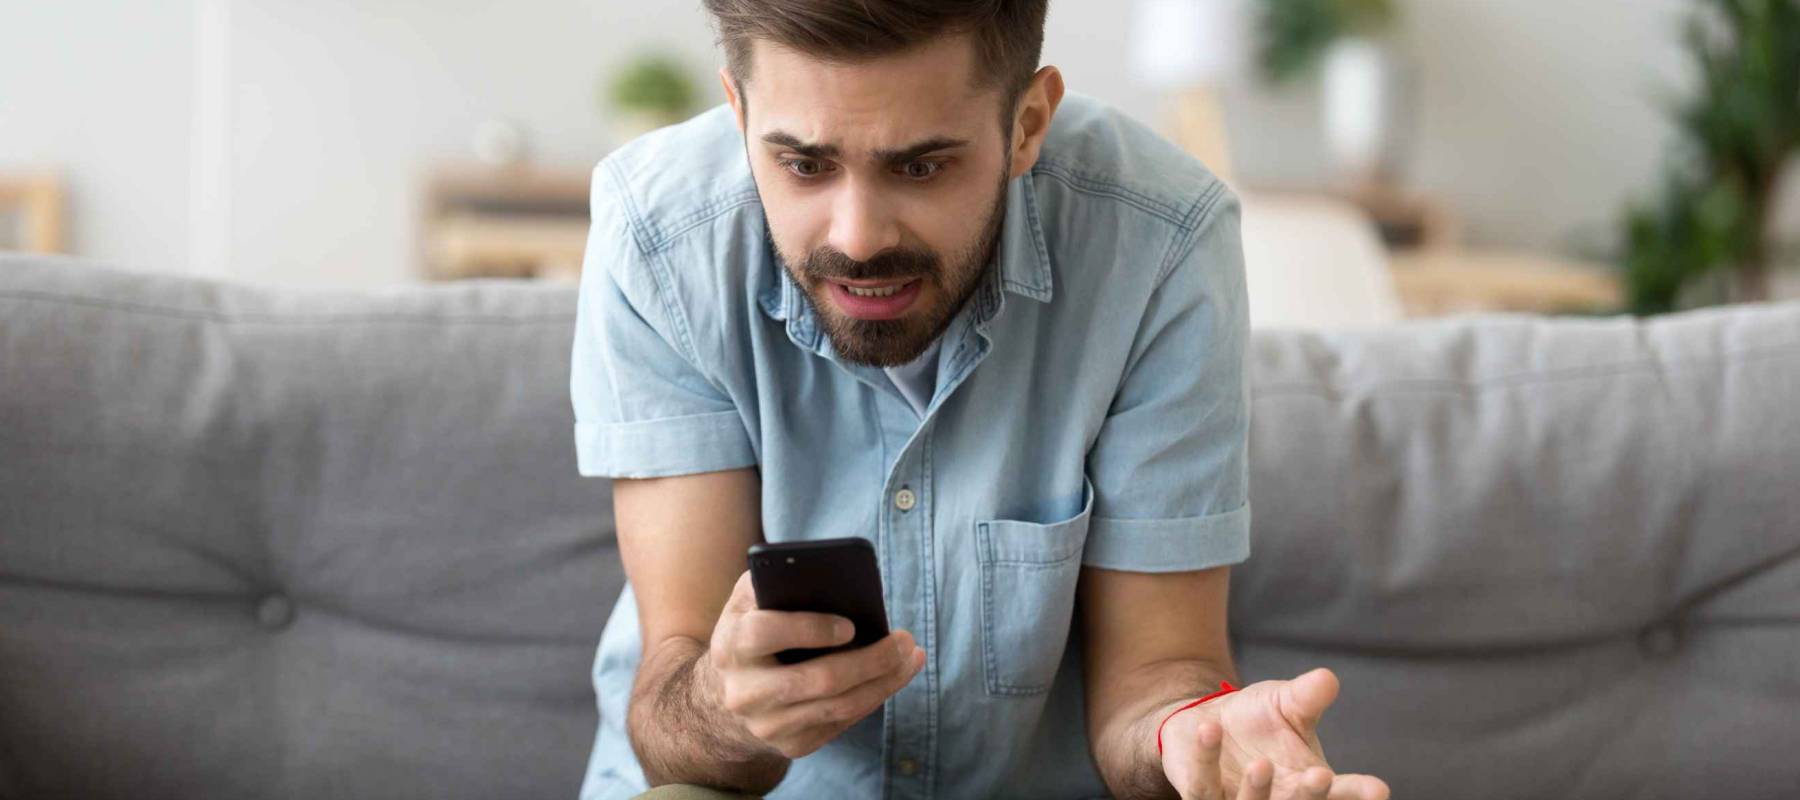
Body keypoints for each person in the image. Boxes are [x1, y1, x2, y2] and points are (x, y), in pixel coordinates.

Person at [569, 2, 1391, 798]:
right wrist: (726, 704)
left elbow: (1155, 675)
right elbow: (670, 708)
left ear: (1028, 122)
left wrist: (1193, 740)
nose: (857, 238)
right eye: (805, 164)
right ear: (738, 110)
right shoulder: (659, 238)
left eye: (921, 166)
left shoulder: (1161, 245)